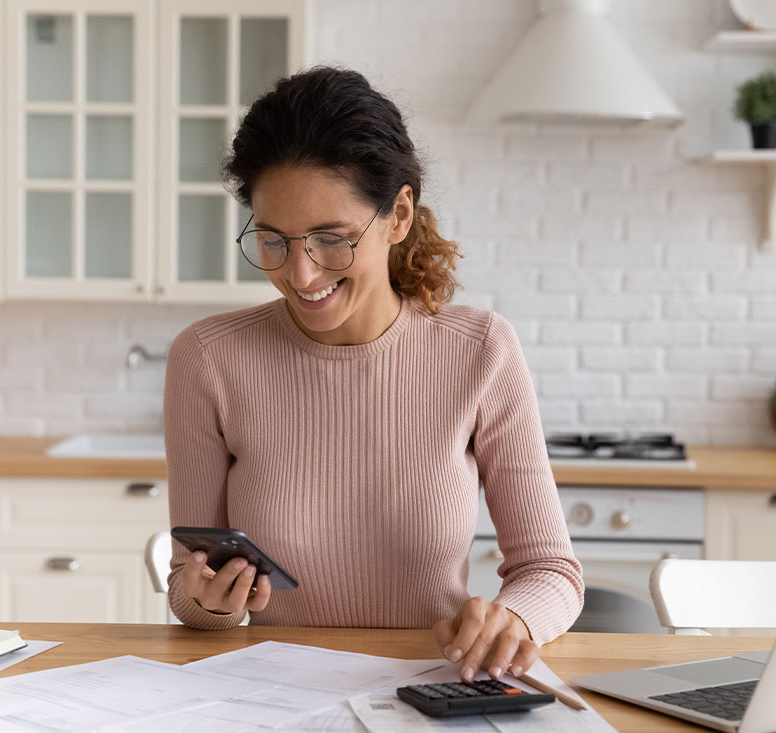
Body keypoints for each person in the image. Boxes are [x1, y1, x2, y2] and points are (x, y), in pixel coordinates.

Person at [164, 66, 583, 683]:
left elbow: (551, 570)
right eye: (274, 241)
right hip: (271, 696)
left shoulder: (480, 351)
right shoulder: (208, 357)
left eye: (332, 239)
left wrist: (513, 620)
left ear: (399, 215)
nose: (301, 275)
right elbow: (189, 592)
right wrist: (208, 601)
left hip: (433, 689)